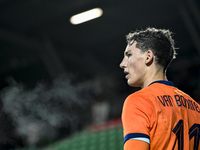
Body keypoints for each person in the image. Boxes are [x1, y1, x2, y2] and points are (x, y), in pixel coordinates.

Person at [119, 27, 200, 150]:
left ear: (148, 56)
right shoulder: (196, 107)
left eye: (129, 55)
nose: (122, 63)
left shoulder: (138, 101)